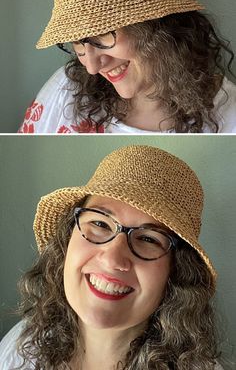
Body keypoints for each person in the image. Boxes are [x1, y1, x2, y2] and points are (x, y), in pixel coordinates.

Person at [0, 145, 227, 369]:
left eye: (149, 239)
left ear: (177, 270)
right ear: (66, 240)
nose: (113, 259)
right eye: (100, 224)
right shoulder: (22, 347)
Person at [18, 0, 236, 134]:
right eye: (77, 42)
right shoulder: (66, 88)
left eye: (102, 33)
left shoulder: (229, 114)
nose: (92, 67)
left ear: (157, 26)